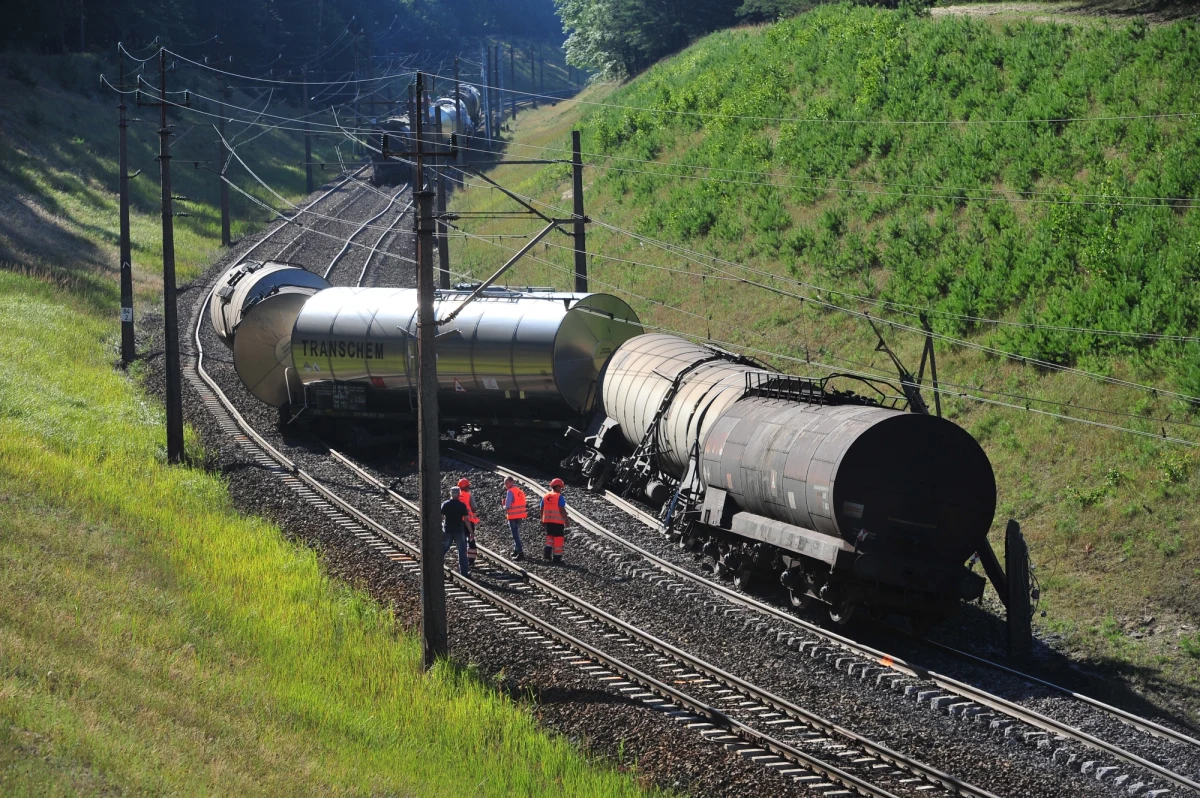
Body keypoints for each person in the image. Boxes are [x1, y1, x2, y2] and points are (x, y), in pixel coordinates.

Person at [440, 486, 470, 577]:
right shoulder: (462, 505)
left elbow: (440, 517)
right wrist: (471, 532)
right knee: (462, 551)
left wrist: (440, 527)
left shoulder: (445, 504)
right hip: (459, 531)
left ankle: (435, 566)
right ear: (459, 494)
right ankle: (464, 573)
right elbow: (466, 520)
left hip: (448, 530)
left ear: (450, 494)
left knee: (443, 549)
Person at [541, 477, 568, 564]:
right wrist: (566, 519)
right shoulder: (559, 497)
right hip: (558, 522)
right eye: (560, 487)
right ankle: (557, 558)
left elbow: (541, 508)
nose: (561, 489)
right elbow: (561, 509)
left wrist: (542, 519)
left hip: (548, 521)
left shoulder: (545, 496)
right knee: (558, 539)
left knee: (550, 537)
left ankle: (547, 553)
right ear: (556, 487)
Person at [457, 478, 481, 568]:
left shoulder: (456, 495)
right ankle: (471, 560)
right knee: (471, 539)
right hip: (469, 521)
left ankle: (463, 559)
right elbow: (474, 508)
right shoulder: (469, 495)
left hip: (458, 521)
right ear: (466, 486)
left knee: (461, 540)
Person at [502, 476, 527, 560]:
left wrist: (503, 506)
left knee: (515, 535)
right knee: (516, 533)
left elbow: (508, 506)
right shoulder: (519, 491)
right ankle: (516, 550)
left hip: (513, 516)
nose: (505, 485)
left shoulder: (510, 491)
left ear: (512, 482)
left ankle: (520, 553)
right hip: (520, 515)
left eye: (507, 483)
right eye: (505, 483)